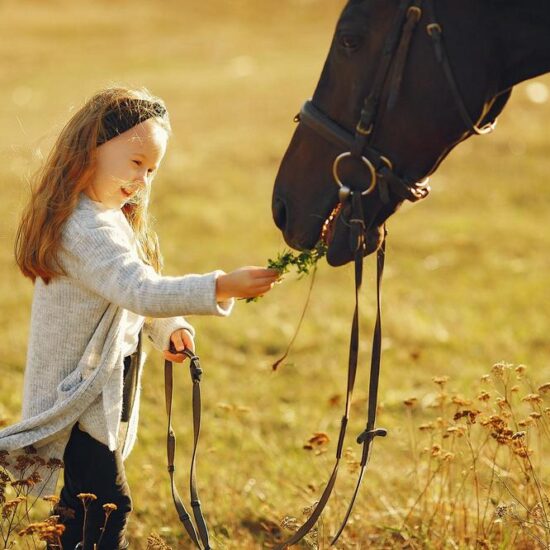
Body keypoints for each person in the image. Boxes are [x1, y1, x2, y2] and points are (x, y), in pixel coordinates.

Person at [0, 86, 279, 549]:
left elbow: (127, 296)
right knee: (107, 506)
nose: (143, 180)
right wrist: (222, 286)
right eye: (135, 163)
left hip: (102, 390)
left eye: (152, 170)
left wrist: (170, 328)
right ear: (92, 147)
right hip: (78, 397)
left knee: (83, 507)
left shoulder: (109, 218)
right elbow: (140, 291)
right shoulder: (85, 228)